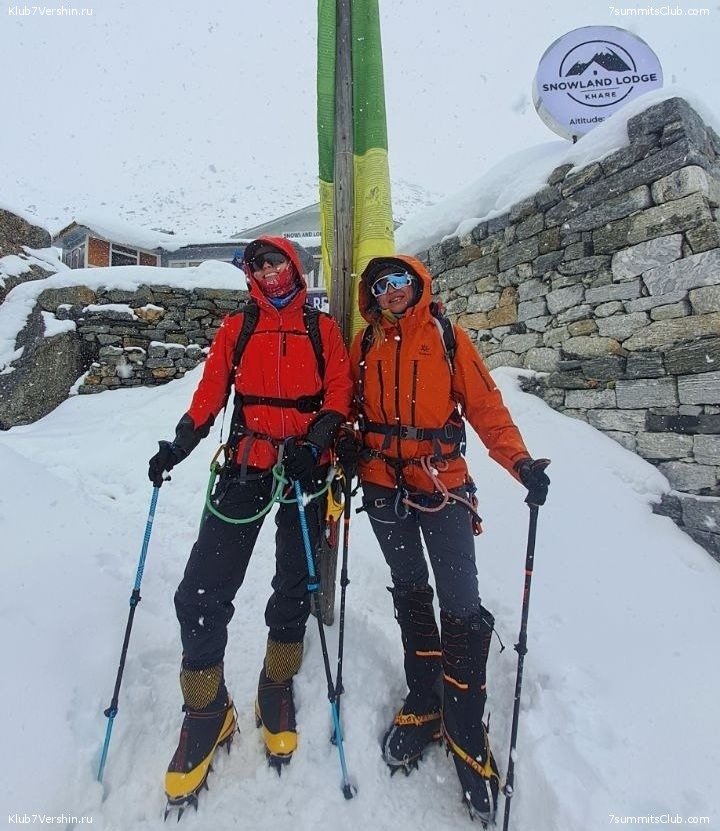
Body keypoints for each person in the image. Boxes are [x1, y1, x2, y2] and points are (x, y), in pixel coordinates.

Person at [336, 255, 550, 823]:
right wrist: (346, 441)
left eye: (399, 281)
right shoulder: (365, 344)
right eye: (380, 285)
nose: (391, 291)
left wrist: (521, 463)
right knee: (410, 591)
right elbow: (347, 406)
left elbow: (486, 407)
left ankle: (464, 720)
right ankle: (425, 699)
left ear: (417, 284)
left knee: (461, 603)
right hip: (382, 484)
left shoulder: (448, 338)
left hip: (443, 483)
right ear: (372, 294)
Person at [148, 235, 353, 809]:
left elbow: (340, 389)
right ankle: (206, 710)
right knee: (200, 591)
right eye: (256, 265)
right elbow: (212, 389)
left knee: (294, 581)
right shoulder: (237, 328)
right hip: (247, 463)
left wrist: (316, 440)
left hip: (305, 468)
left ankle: (276, 682)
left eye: (274, 262)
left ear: (293, 265)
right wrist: (180, 443)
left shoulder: (321, 328)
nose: (266, 272)